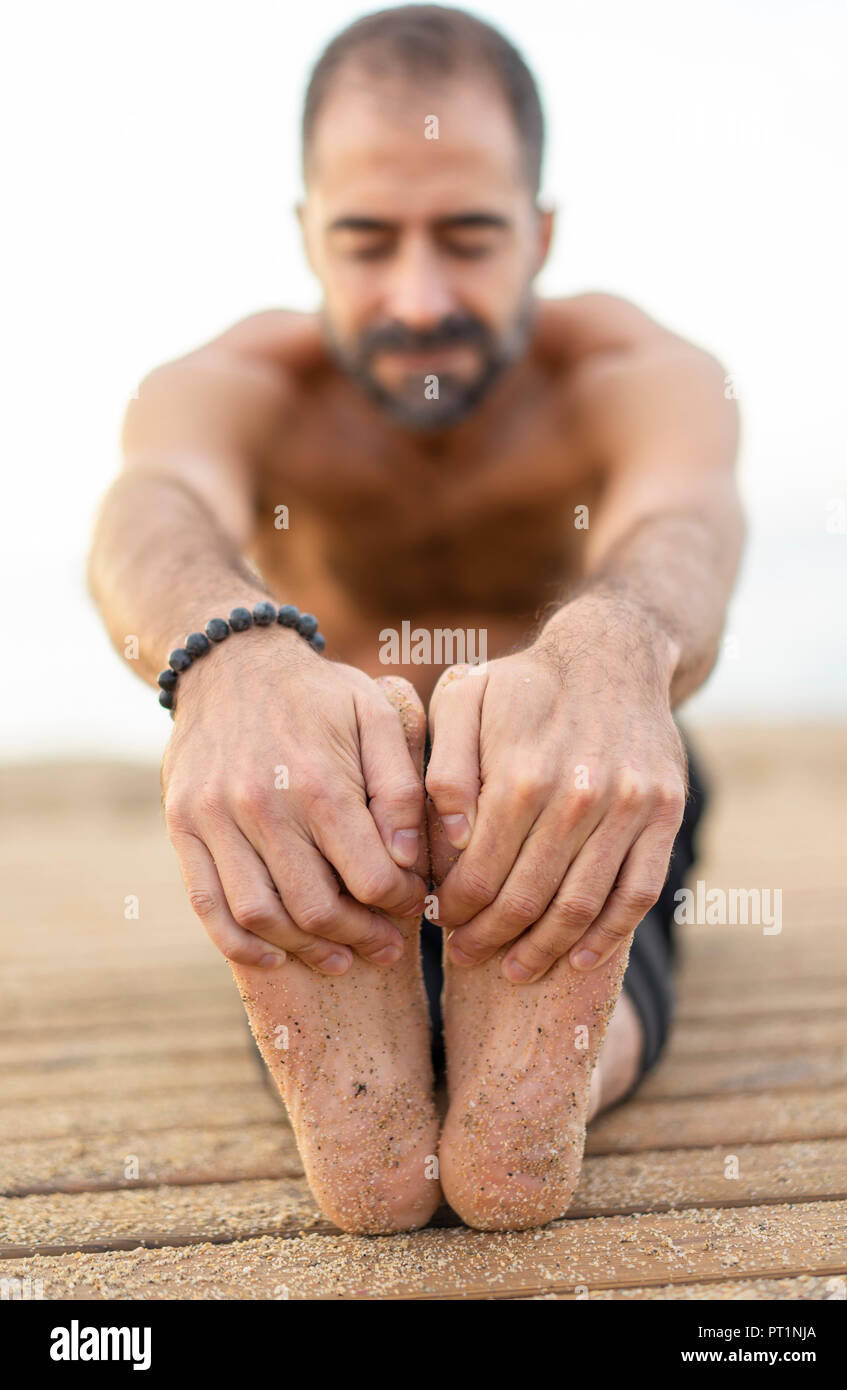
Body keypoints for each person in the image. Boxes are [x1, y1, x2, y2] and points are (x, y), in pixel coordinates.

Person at [89, 5, 742, 1234]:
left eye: (469, 235)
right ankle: (393, 1073)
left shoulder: (628, 373)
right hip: (334, 791)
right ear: (305, 237)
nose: (419, 295)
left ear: (541, 232)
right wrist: (227, 656)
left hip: (570, 768)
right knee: (297, 851)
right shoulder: (240, 386)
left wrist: (616, 650)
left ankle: (520, 1082)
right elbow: (148, 510)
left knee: (602, 839)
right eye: (367, 240)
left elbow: (688, 523)